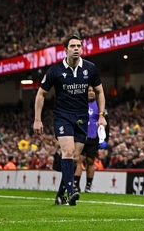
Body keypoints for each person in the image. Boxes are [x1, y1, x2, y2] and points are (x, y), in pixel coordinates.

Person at [33, 31, 107, 206]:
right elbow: (41, 94)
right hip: (62, 116)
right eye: (72, 46)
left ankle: (60, 195)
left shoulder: (90, 68)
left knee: (74, 158)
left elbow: (100, 92)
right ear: (65, 50)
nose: (76, 49)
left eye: (78, 46)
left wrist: (102, 115)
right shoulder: (55, 70)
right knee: (66, 151)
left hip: (82, 117)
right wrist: (37, 119)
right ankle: (72, 190)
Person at [75, 87, 102, 193]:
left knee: (90, 161)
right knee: (78, 159)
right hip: (80, 136)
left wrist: (105, 139)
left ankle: (88, 185)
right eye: (89, 91)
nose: (91, 93)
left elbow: (105, 123)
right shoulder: (79, 104)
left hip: (93, 137)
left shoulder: (100, 106)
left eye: (92, 91)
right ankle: (76, 184)